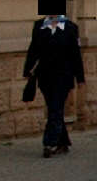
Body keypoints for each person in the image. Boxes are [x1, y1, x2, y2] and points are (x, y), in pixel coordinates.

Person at [23, 9, 85, 158]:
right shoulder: (39, 26)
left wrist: (80, 78)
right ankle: (63, 141)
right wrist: (27, 70)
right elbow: (33, 50)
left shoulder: (70, 27)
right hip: (44, 76)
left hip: (63, 76)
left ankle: (50, 143)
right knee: (53, 108)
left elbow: (75, 54)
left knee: (56, 108)